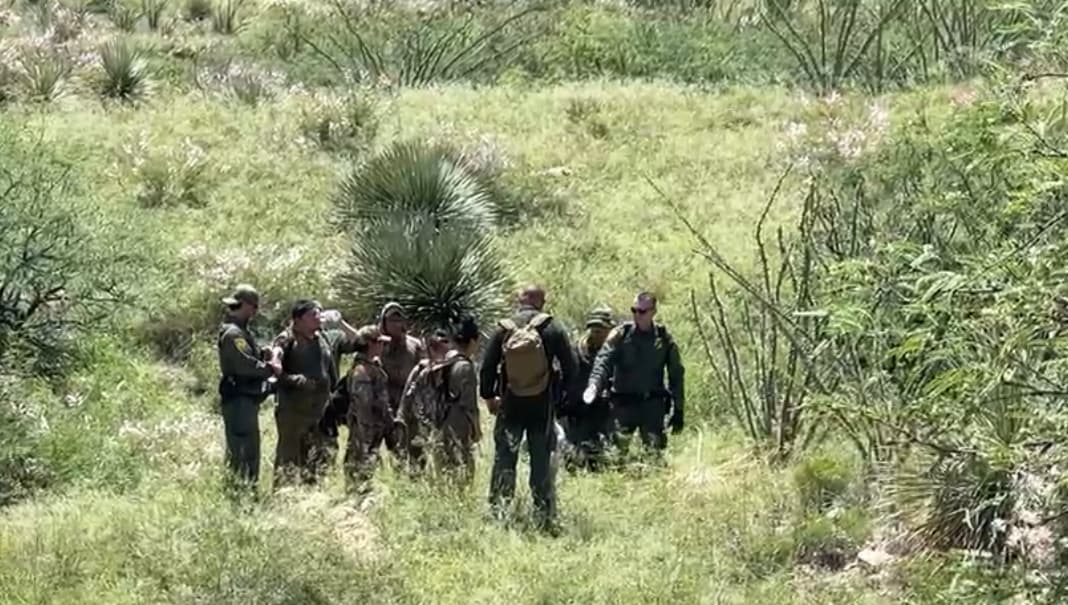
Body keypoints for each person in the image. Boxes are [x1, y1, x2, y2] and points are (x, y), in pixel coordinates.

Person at [481, 284, 577, 533]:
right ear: (542, 302)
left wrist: (489, 397)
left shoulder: (504, 328)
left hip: (510, 406)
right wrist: (562, 398)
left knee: (505, 459)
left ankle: (498, 513)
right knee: (541, 461)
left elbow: (487, 367)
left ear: (519, 300)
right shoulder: (552, 328)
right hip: (541, 407)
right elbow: (571, 367)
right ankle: (544, 516)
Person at [583, 292, 685, 460]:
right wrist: (594, 385)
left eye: (642, 311)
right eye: (634, 310)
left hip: (652, 406)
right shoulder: (621, 335)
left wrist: (679, 409)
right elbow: (603, 361)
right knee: (615, 456)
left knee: (654, 456)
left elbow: (676, 375)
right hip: (623, 405)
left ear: (653, 312)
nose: (637, 315)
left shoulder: (663, 338)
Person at [270, 300, 357, 488]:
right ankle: (283, 499)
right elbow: (277, 353)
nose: (319, 317)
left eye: (320, 313)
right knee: (289, 459)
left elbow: (359, 341)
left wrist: (340, 322)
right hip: (294, 412)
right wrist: (289, 375)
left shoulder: (325, 338)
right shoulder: (288, 338)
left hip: (321, 412)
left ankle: (313, 496)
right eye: (313, 314)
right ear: (298, 319)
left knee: (321, 457)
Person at [216, 284, 280, 493]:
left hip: (243, 398)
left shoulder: (239, 331)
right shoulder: (234, 334)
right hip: (240, 398)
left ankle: (242, 489)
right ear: (247, 306)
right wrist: (270, 369)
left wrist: (263, 354)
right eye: (254, 308)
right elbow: (244, 364)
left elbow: (248, 357)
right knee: (244, 448)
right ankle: (241, 491)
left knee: (246, 446)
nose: (255, 313)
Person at [562, 307, 616, 471]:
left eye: (600, 330)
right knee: (575, 455)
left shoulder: (616, 352)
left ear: (609, 330)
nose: (596, 333)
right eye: (594, 329)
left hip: (606, 408)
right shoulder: (576, 352)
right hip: (578, 409)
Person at [432, 316, 482, 482]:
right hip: (459, 421)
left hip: (441, 418)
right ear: (473, 341)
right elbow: (470, 406)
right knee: (463, 468)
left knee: (445, 468)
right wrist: (477, 429)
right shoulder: (466, 367)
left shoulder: (447, 361)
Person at [344, 325, 393, 491]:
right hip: (364, 431)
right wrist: (367, 437)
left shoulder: (372, 366)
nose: (382, 346)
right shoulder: (361, 372)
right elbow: (363, 405)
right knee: (358, 469)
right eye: (379, 342)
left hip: (374, 429)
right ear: (370, 344)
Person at [395, 329, 452, 473]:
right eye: (437, 347)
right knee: (416, 460)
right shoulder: (420, 369)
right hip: (418, 423)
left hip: (440, 424)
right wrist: (401, 419)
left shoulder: (451, 371)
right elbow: (407, 397)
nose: (441, 351)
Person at [377, 302, 428, 457]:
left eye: (399, 320)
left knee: (416, 448)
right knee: (394, 448)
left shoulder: (415, 344)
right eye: (392, 320)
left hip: (410, 404)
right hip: (385, 404)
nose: (396, 324)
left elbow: (424, 371)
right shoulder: (377, 344)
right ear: (384, 322)